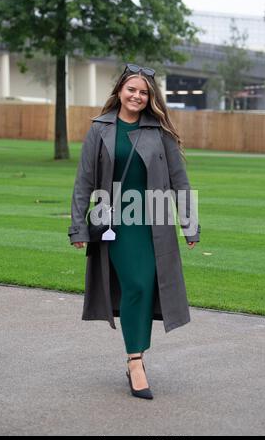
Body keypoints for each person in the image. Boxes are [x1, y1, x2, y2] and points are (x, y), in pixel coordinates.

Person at [68, 63, 200, 400]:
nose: (137, 96)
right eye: (132, 90)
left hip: (153, 221)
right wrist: (78, 225)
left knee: (142, 288)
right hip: (115, 223)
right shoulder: (99, 129)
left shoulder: (161, 133)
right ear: (120, 92)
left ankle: (135, 356)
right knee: (136, 284)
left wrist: (190, 224)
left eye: (144, 92)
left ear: (150, 97)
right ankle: (136, 360)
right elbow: (84, 182)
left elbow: (179, 182)